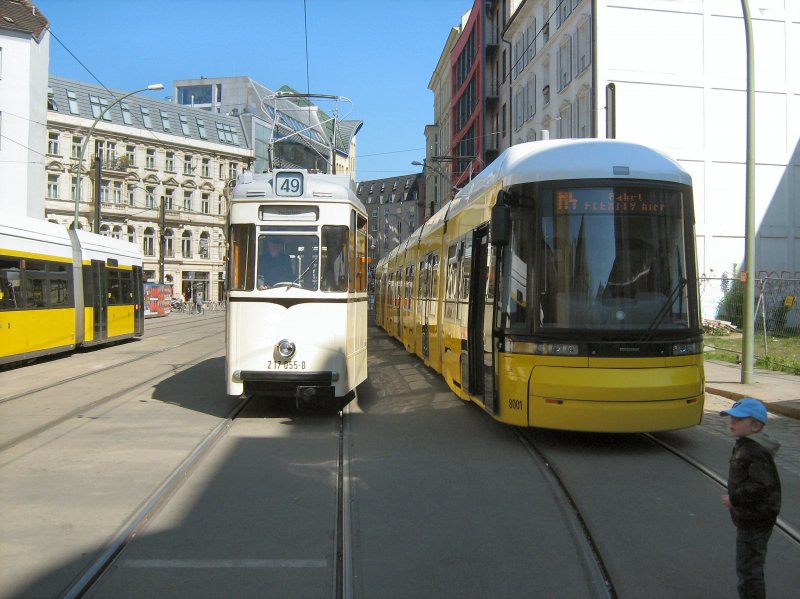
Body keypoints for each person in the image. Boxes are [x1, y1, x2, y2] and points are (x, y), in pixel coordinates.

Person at [720, 397, 782, 599]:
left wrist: (735, 499)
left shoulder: (754, 451)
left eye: (738, 420)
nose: (732, 423)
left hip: (755, 519)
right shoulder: (745, 445)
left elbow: (761, 486)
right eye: (731, 418)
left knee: (748, 570)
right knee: (748, 566)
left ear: (755, 426)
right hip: (752, 516)